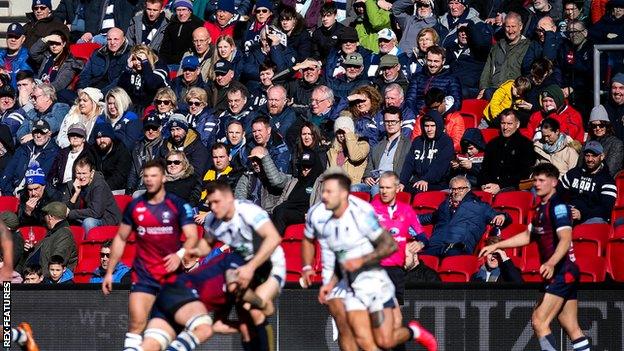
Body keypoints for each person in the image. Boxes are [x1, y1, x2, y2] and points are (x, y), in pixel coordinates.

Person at [301, 169, 438, 351]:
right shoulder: (317, 214)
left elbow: (388, 245)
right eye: (323, 190)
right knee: (349, 332)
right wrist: (312, 269)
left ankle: (413, 331)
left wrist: (360, 261)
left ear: (343, 194)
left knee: (384, 340)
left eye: (329, 192)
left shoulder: (363, 213)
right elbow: (313, 242)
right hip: (342, 282)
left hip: (372, 280)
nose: (323, 196)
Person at [480, 162, 590, 351]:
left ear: (554, 182)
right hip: (563, 273)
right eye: (535, 180)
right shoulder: (541, 208)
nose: (537, 184)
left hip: (562, 271)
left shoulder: (558, 207)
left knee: (539, 321)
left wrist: (551, 263)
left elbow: (565, 239)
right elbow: (528, 236)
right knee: (570, 325)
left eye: (541, 180)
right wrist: (497, 245)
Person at [102, 159, 198, 351]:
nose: (149, 180)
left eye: (154, 175)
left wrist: (179, 255)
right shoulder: (135, 207)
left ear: (163, 178)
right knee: (136, 324)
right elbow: (121, 238)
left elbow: (192, 236)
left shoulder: (178, 205)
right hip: (143, 273)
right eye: (146, 176)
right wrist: (110, 271)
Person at [199, 180, 284, 351]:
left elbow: (274, 238)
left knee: (254, 311)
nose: (213, 208)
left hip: (270, 263)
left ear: (229, 198)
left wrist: (251, 267)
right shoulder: (212, 220)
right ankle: (261, 305)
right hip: (244, 266)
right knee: (245, 325)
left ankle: (263, 306)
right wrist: (183, 254)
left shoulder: (248, 211)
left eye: (217, 202)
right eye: (210, 204)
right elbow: (205, 246)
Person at [371, 171, 427, 306]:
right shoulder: (370, 210)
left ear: (397, 189)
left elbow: (423, 237)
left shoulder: (406, 211)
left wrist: (420, 244)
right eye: (381, 187)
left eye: (388, 188)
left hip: (396, 270)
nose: (384, 191)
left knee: (396, 315)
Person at [419, 175, 509, 257]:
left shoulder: (479, 206)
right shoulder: (444, 205)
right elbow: (430, 217)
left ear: (468, 189)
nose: (456, 192)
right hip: (434, 246)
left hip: (458, 248)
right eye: (453, 189)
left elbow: (500, 216)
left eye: (460, 188)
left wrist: (502, 216)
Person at [559, 141, 617, 225]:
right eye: (587, 155)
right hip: (570, 214)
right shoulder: (574, 173)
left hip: (592, 218)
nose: (590, 159)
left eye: (594, 155)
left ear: (602, 156)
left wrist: (582, 214)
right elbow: (557, 191)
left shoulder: (607, 180)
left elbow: (606, 208)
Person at [480, 109, 536, 195]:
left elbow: (523, 173)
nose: (505, 127)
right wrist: (484, 184)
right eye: (503, 123)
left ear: (517, 124)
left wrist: (500, 186)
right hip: (489, 188)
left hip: (512, 188)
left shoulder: (526, 145)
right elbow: (484, 169)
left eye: (509, 124)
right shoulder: (492, 144)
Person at [358, 106, 411, 197]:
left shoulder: (408, 145)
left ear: (401, 122)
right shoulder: (378, 146)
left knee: (376, 189)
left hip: (392, 183)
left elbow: (407, 170)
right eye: (387, 121)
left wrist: (386, 180)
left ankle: (380, 211)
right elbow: (369, 166)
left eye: (394, 121)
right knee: (353, 188)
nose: (390, 124)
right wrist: (367, 177)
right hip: (374, 182)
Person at [270, 150, 325, 234]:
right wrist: (274, 210)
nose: (305, 168)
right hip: (286, 210)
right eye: (303, 165)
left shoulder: (321, 183)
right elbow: (281, 201)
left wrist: (311, 215)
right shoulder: (293, 181)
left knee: (281, 212)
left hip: (304, 213)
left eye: (308, 166)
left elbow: (323, 203)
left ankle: (275, 243)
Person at [479, 12, 531, 99]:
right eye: (508, 27)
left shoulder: (528, 47)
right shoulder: (497, 46)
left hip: (513, 92)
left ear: (520, 26)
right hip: (493, 88)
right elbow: (487, 70)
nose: (510, 31)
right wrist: (483, 88)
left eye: (513, 26)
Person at [400, 110, 454, 194]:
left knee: (418, 191)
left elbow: (440, 166)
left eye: (432, 126)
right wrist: (402, 182)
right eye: (426, 126)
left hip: (438, 184)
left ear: (438, 126)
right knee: (397, 190)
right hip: (418, 181)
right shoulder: (417, 141)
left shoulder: (446, 142)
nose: (429, 129)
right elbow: (409, 163)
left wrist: (426, 179)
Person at [0, 120, 59, 196]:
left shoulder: (54, 153)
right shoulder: (24, 148)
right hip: (12, 190)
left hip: (32, 193)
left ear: (49, 133)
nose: (38, 135)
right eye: (35, 132)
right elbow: (9, 171)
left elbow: (43, 180)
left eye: (42, 133)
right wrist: (1, 188)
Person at [66, 157, 121, 235]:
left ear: (91, 173)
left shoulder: (99, 184)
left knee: (88, 222)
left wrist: (72, 213)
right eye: (78, 173)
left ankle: (90, 246)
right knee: (66, 221)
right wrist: (76, 193)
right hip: (91, 216)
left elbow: (96, 212)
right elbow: (67, 211)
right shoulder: (75, 184)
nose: (81, 177)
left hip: (108, 219)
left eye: (84, 173)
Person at [24, 201, 78, 276]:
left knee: (7, 285)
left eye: (45, 216)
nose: (44, 219)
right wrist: (30, 250)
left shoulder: (64, 234)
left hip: (45, 282)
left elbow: (56, 263)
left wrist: (41, 278)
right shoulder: (53, 233)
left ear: (50, 217)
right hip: (32, 276)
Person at [406, 45, 462, 115]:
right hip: (417, 115)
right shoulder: (417, 77)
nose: (432, 64)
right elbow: (409, 100)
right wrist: (416, 115)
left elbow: (456, 103)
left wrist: (439, 116)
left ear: (443, 61)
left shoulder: (451, 79)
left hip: (439, 117)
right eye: (429, 60)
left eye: (436, 61)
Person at [234, 146, 290, 215]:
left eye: (258, 159)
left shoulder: (281, 176)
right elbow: (239, 198)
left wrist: (264, 158)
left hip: (271, 217)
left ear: (267, 159)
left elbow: (277, 182)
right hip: (251, 216)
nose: (255, 163)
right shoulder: (248, 176)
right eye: (253, 160)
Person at [77, 28, 131, 94]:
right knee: (63, 94)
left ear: (123, 40)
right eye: (109, 39)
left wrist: (100, 94)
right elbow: (85, 74)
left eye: (116, 39)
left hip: (112, 94)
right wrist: (81, 89)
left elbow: (120, 81)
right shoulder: (98, 53)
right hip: (91, 89)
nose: (112, 42)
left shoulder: (128, 55)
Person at [118, 44, 170, 113]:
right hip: (136, 108)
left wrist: (145, 62)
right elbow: (120, 88)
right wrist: (128, 69)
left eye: (140, 59)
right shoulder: (131, 70)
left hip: (156, 107)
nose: (137, 62)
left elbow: (151, 84)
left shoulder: (160, 67)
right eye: (134, 59)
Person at [327, 114, 370, 185]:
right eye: (339, 132)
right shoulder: (333, 151)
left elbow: (355, 157)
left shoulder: (363, 144)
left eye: (344, 132)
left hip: (354, 187)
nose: (341, 135)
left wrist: (349, 135)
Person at [159, 0, 205, 66]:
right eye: (178, 10)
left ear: (190, 10)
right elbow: (165, 47)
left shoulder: (197, 24)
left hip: (188, 63)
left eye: (184, 9)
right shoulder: (171, 25)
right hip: (169, 63)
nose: (181, 13)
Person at [127, 115, 165, 194]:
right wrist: (129, 188)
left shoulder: (164, 146)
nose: (150, 131)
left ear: (159, 129)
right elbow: (133, 172)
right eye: (148, 128)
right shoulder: (138, 147)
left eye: (154, 128)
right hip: (139, 185)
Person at [91, 123, 133, 192]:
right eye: (98, 138)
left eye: (104, 136)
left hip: (117, 189)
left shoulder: (121, 151)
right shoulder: (93, 150)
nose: (101, 140)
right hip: (96, 187)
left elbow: (120, 177)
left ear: (111, 137)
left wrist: (102, 188)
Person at [585, 105, 623, 177]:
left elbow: (610, 171)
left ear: (607, 125)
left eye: (601, 125)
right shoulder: (588, 142)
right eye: (594, 126)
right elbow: (579, 166)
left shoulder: (616, 144)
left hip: (603, 182)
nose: (598, 128)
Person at [17, 161, 55, 226]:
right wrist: (27, 212)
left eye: (36, 188)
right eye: (30, 189)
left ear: (43, 186)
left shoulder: (52, 196)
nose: (33, 193)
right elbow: (21, 225)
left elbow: (51, 226)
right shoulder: (24, 195)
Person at [0, 23, 33, 88]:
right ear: (6, 37)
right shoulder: (0, 55)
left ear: (23, 39)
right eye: (10, 36)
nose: (13, 40)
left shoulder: (28, 57)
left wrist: (5, 75)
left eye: (16, 37)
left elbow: (23, 80)